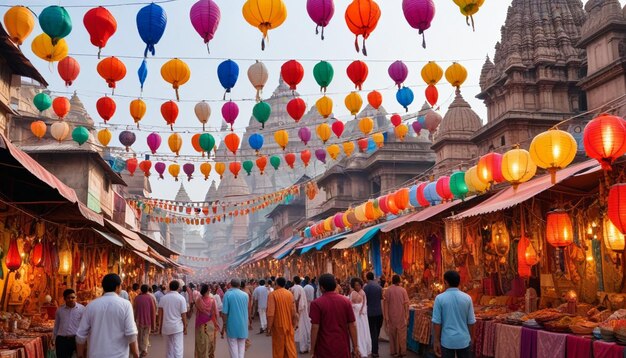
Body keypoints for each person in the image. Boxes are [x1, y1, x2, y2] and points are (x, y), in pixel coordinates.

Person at [76, 273, 139, 358]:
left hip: (95, 355)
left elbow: (81, 335)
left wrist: (80, 355)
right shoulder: (126, 305)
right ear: (118, 287)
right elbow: (131, 333)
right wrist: (136, 354)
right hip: (119, 355)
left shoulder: (91, 306)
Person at [310, 273, 360, 358]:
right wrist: (356, 346)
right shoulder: (345, 301)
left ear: (321, 287)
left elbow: (315, 327)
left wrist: (312, 349)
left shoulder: (316, 303)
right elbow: (352, 325)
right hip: (342, 346)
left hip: (324, 347)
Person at [432, 270, 476, 358]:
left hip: (447, 340)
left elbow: (437, 322)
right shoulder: (467, 298)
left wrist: (436, 341)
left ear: (446, 282)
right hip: (464, 339)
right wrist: (472, 338)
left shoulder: (439, 298)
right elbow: (471, 322)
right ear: (459, 282)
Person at [267, 277, 299, 358]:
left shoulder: (272, 295)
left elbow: (271, 313)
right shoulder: (289, 294)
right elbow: (294, 312)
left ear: (276, 284)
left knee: (279, 349)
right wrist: (294, 324)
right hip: (288, 325)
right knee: (289, 348)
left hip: (278, 326)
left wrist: (269, 328)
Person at [52, 289, 85, 358]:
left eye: (73, 297)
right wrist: (53, 338)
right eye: (68, 298)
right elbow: (56, 325)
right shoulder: (60, 310)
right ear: (64, 299)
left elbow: (84, 325)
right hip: (62, 340)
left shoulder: (82, 309)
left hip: (76, 340)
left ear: (76, 297)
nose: (71, 299)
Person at [158, 280, 188, 358]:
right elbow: (183, 314)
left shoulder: (163, 298)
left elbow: (160, 315)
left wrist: (159, 327)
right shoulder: (181, 298)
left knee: (169, 348)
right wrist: (185, 326)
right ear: (178, 288)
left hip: (166, 326)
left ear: (170, 287)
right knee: (178, 348)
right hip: (177, 327)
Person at [383, 275, 410, 358]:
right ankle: (402, 351)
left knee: (392, 334)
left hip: (391, 316)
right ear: (399, 281)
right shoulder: (403, 290)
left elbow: (385, 304)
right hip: (401, 316)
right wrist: (407, 316)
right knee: (402, 335)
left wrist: (386, 317)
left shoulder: (388, 291)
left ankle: (394, 351)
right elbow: (406, 304)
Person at [222, 278, 249, 358]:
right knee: (241, 346)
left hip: (232, 324)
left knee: (233, 346)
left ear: (230, 284)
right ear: (240, 285)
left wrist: (224, 324)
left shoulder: (227, 294)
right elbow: (246, 308)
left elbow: (224, 312)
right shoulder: (245, 295)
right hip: (243, 324)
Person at [195, 284, 220, 358]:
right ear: (208, 291)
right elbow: (215, 313)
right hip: (210, 324)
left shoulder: (198, 300)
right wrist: (217, 323)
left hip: (200, 324)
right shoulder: (212, 301)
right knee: (210, 342)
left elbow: (196, 312)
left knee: (201, 343)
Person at [350, 278, 372, 358]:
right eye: (356, 285)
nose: (357, 286)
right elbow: (350, 304)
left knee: (362, 333)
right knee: (356, 332)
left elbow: (364, 305)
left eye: (359, 285)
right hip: (355, 316)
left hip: (361, 316)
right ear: (353, 285)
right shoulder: (353, 293)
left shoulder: (363, 293)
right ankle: (355, 349)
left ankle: (361, 350)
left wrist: (360, 311)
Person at [363, 272, 383, 358]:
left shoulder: (366, 288)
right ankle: (375, 349)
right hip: (379, 312)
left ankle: (374, 351)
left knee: (372, 332)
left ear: (367, 278)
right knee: (377, 332)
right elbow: (381, 298)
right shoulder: (379, 287)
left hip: (370, 313)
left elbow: (365, 300)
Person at [134, 284, 156, 357]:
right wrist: (153, 324)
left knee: (139, 335)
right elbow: (153, 311)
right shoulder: (150, 298)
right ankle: (144, 349)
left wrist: (134, 319)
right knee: (146, 335)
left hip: (138, 320)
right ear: (147, 290)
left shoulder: (137, 298)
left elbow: (134, 310)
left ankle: (140, 350)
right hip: (148, 320)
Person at [290, 276, 311, 354]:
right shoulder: (301, 288)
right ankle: (307, 346)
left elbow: (295, 300)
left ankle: (303, 347)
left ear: (294, 280)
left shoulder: (294, 288)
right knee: (305, 327)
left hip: (299, 310)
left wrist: (295, 312)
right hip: (303, 309)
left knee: (301, 329)